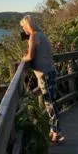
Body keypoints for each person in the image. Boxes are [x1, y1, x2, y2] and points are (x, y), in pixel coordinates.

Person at [20, 15, 65, 143]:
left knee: (50, 103)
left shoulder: (34, 36)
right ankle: (53, 130)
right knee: (51, 101)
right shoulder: (41, 35)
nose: (23, 30)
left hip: (44, 74)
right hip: (49, 72)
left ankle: (57, 132)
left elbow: (30, 56)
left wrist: (22, 58)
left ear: (28, 25)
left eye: (23, 27)